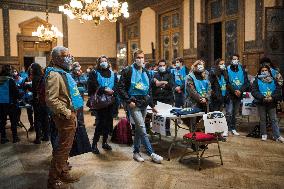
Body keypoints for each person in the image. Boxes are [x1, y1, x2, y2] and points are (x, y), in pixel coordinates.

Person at [45, 46, 83, 189]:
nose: (69, 58)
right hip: (64, 116)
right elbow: (51, 99)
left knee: (66, 147)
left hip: (70, 113)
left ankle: (63, 171)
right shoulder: (54, 74)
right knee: (62, 148)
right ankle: (53, 179)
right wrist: (67, 113)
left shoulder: (62, 71)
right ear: (56, 58)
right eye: (65, 55)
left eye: (69, 55)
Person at [118, 49, 163, 164]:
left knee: (139, 128)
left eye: (142, 57)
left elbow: (149, 90)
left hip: (144, 103)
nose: (140, 59)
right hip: (133, 104)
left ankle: (136, 152)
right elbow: (120, 88)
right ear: (134, 58)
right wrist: (128, 101)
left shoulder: (146, 72)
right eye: (138, 57)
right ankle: (151, 153)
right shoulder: (127, 70)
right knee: (142, 128)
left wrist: (152, 105)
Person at [88, 55, 117, 154]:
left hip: (111, 101)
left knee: (108, 123)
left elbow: (116, 85)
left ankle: (104, 142)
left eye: (105, 61)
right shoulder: (94, 73)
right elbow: (92, 85)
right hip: (100, 102)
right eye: (101, 61)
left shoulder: (113, 73)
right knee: (100, 123)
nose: (103, 63)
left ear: (108, 62)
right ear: (98, 63)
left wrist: (113, 91)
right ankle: (94, 144)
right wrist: (104, 89)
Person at [251, 65, 284, 142]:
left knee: (274, 119)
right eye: (262, 70)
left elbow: (278, 91)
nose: (264, 72)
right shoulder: (257, 80)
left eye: (266, 70)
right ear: (260, 72)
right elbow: (254, 91)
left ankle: (277, 136)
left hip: (271, 102)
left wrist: (272, 97)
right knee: (263, 119)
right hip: (261, 102)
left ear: (269, 71)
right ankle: (263, 134)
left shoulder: (274, 80)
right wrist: (263, 97)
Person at [226, 54, 249, 136]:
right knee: (229, 112)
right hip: (230, 94)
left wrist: (240, 90)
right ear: (231, 60)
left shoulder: (242, 69)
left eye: (236, 59)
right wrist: (234, 90)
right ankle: (227, 128)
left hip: (239, 95)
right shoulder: (227, 69)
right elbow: (226, 82)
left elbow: (246, 82)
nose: (235, 60)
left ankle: (233, 128)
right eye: (233, 59)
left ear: (239, 60)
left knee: (235, 113)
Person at [0, 65, 21, 144]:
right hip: (11, 104)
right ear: (9, 71)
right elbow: (16, 93)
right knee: (13, 121)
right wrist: (20, 95)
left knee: (2, 121)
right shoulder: (10, 80)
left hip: (1, 104)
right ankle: (15, 137)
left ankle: (3, 137)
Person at [30, 63, 50, 144]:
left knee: (37, 119)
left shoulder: (35, 78)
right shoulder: (44, 77)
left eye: (32, 68)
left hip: (37, 102)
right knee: (45, 119)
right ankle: (46, 136)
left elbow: (34, 91)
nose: (31, 70)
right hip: (45, 101)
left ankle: (38, 138)